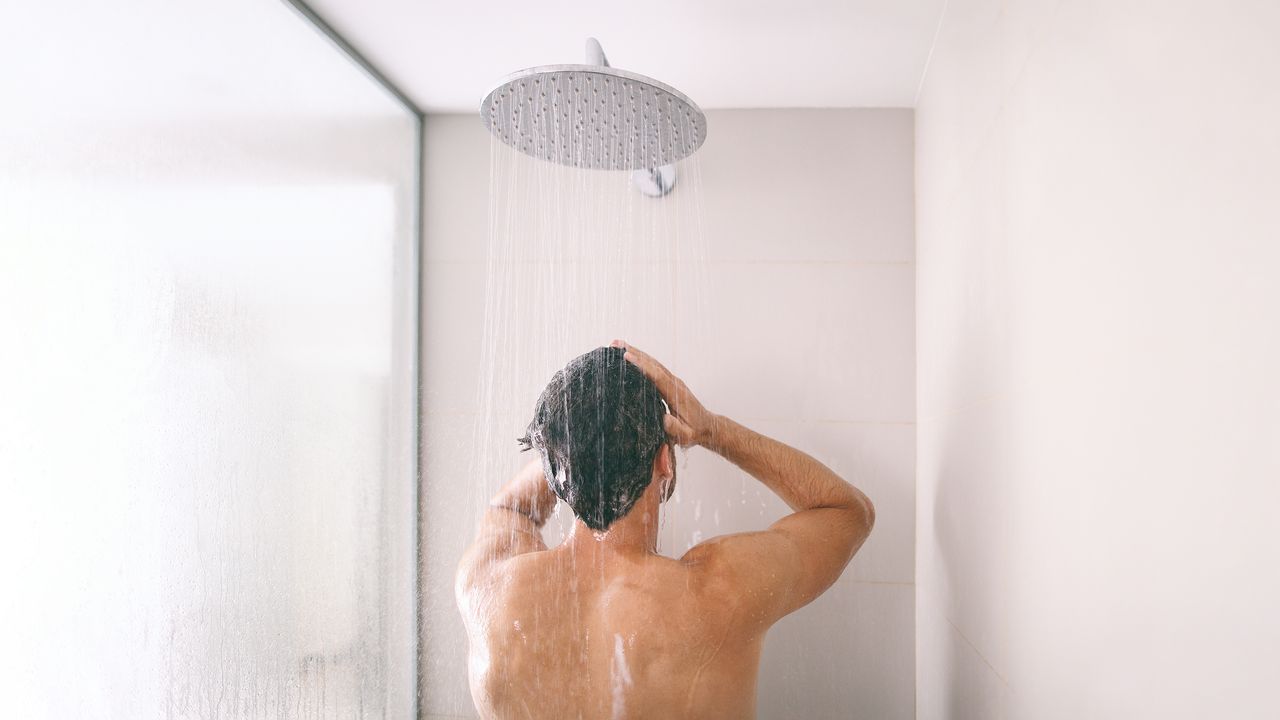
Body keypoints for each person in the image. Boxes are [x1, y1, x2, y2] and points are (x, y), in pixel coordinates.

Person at [455, 341, 875, 719]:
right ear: (664, 461)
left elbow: (509, 507)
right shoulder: (720, 591)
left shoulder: (489, 589)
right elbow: (846, 511)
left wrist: (575, 445)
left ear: (552, 465)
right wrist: (711, 430)